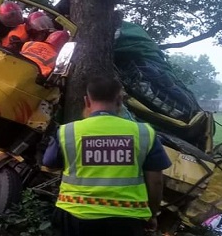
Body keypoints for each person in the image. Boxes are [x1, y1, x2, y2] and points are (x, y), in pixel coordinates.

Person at [43, 76, 171, 236]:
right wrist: (152, 214)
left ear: (87, 101)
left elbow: (49, 164)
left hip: (74, 216)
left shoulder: (67, 132)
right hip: (127, 221)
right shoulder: (144, 133)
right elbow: (156, 181)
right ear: (120, 100)